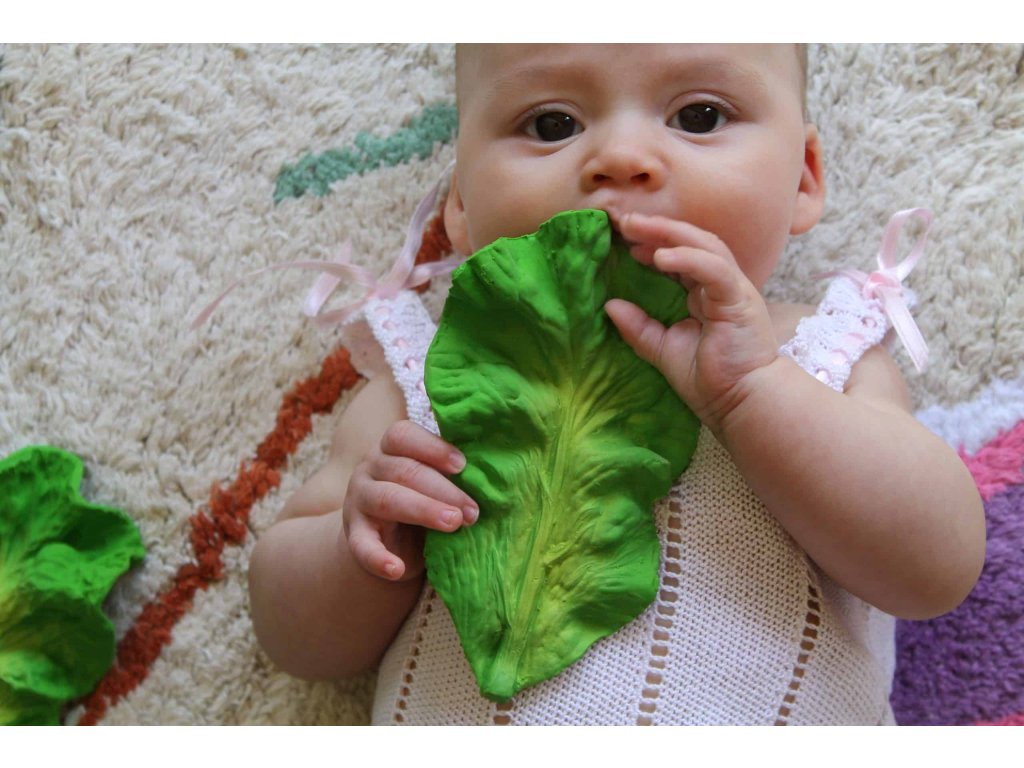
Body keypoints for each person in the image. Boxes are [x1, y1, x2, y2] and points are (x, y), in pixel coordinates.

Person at [246, 44, 985, 725]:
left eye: (699, 116)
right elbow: (295, 639)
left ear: (802, 178)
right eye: (552, 124)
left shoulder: (822, 355)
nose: (621, 159)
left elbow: (937, 570)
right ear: (461, 205)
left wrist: (754, 393)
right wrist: (362, 549)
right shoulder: (425, 383)